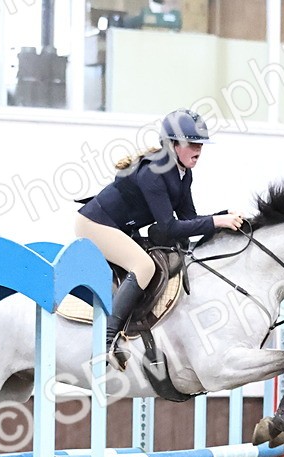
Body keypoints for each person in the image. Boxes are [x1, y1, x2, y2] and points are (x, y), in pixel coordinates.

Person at [76, 108, 245, 355]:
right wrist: (217, 221)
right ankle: (106, 340)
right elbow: (169, 227)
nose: (198, 149)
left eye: (200, 144)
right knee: (144, 266)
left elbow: (188, 219)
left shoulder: (183, 174)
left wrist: (223, 217)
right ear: (172, 145)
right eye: (192, 143)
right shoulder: (153, 173)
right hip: (95, 224)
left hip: (120, 228)